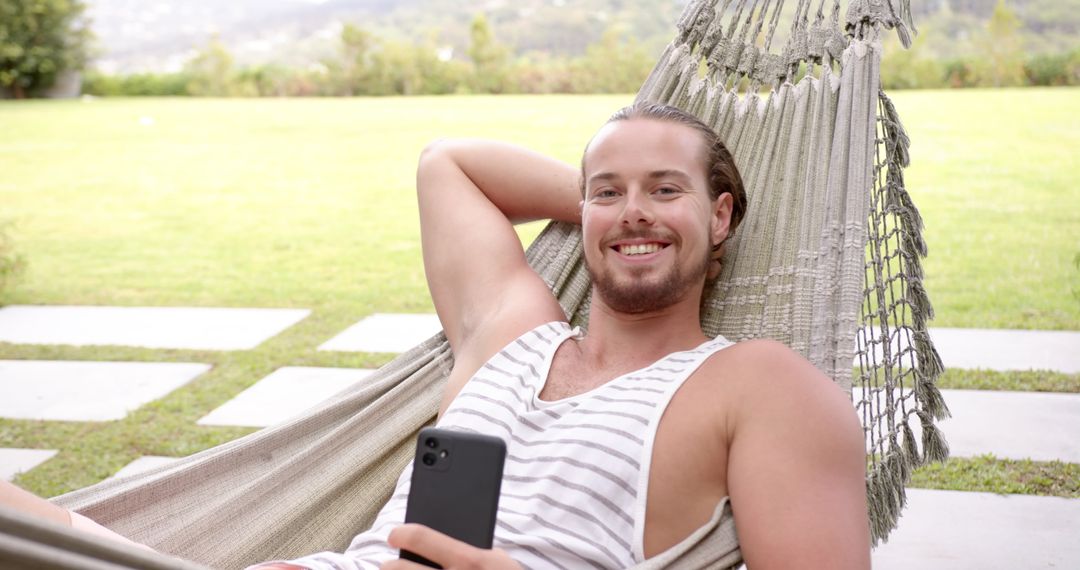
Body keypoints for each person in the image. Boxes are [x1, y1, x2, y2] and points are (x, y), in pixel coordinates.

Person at [1, 102, 870, 569]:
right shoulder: (513, 333)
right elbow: (447, 164)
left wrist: (638, 216)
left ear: (724, 215)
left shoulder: (759, 386)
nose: (631, 208)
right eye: (606, 190)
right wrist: (627, 214)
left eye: (666, 189)